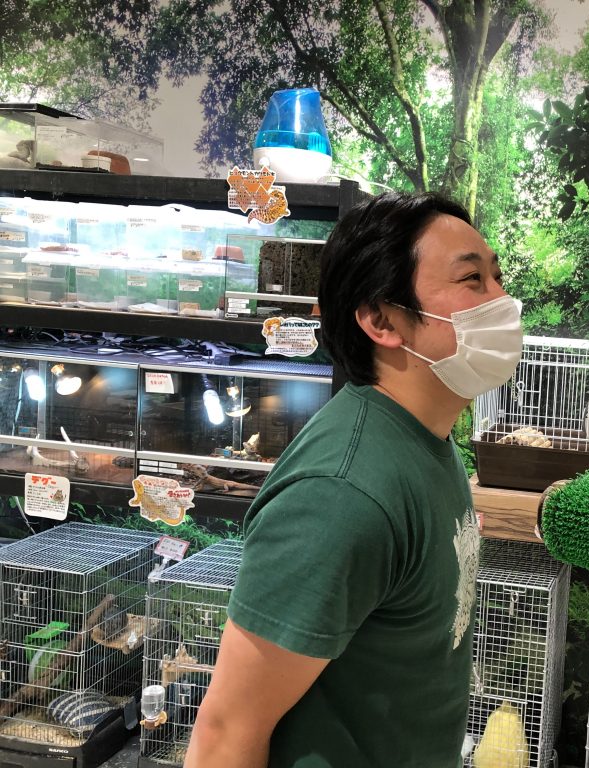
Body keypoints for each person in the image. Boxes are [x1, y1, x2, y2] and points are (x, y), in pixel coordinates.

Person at [184, 192, 523, 768]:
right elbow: (224, 733)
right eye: (472, 280)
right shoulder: (342, 493)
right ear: (382, 320)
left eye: (497, 276)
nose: (503, 300)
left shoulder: (424, 443)